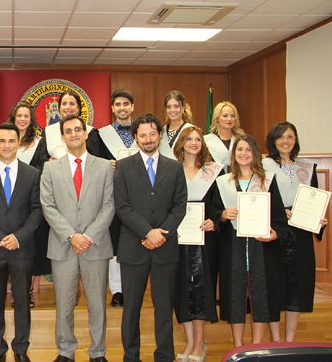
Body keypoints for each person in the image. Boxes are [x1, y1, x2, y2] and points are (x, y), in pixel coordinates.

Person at [113, 113, 187, 362]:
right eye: (142, 135)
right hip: (134, 246)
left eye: (152, 134)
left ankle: (164, 355)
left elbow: (179, 207)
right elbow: (122, 207)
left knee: (164, 308)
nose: (148, 139)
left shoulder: (174, 167)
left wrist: (160, 234)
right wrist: (147, 232)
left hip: (165, 249)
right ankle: (131, 356)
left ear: (159, 135)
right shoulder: (123, 167)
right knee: (131, 308)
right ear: (135, 138)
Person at [40, 115, 114, 362]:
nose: (73, 134)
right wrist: (72, 235)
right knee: (64, 304)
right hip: (63, 245)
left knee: (97, 305)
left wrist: (89, 236)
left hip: (96, 245)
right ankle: (65, 351)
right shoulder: (50, 168)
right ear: (62, 137)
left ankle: (98, 352)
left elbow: (109, 205)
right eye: (68, 131)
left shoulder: (105, 166)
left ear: (85, 134)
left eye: (78, 130)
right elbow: (47, 206)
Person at [212, 134, 288, 347]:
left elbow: (279, 219)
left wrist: (274, 234)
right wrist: (224, 215)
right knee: (235, 297)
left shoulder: (267, 181)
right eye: (239, 150)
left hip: (261, 250)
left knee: (261, 298)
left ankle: (256, 347)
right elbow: (214, 213)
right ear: (233, 154)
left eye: (248, 150)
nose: (243, 154)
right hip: (233, 250)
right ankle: (238, 346)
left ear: (255, 154)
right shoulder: (223, 182)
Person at [0, 122, 42, 362]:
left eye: (11, 141)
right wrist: (0, 238)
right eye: (2, 141)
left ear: (18, 144)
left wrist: (17, 237)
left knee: (22, 302)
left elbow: (37, 211)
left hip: (22, 249)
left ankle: (21, 349)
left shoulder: (32, 173)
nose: (6, 145)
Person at [263, 121, 328, 342]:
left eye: (290, 137)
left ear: (295, 141)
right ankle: (275, 339)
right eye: (281, 136)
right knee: (274, 286)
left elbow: (315, 198)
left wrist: (320, 220)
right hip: (274, 234)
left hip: (300, 235)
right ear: (273, 140)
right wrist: (280, 214)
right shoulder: (263, 166)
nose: (286, 141)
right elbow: (261, 200)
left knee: (297, 288)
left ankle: (290, 340)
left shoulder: (307, 169)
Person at [172, 127, 224, 362]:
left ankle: (200, 342)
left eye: (198, 140)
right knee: (181, 289)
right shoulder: (171, 171)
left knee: (202, 289)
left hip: (205, 240)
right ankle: (190, 341)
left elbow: (218, 205)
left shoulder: (213, 172)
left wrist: (214, 220)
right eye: (189, 139)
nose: (194, 143)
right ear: (181, 143)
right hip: (179, 240)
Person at [97, 90, 138, 308]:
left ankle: (132, 286)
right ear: (112, 108)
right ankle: (117, 289)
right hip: (111, 192)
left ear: (132, 107)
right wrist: (107, 164)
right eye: (118, 105)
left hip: (138, 194)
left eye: (126, 104)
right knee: (114, 242)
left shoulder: (143, 133)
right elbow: (94, 161)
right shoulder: (102, 135)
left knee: (133, 238)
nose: (122, 108)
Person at [8, 101, 48, 300]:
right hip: (7, 201)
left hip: (30, 199)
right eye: (19, 116)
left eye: (26, 116)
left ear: (31, 120)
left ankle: (28, 291)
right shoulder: (4, 140)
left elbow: (41, 171)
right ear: (13, 118)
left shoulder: (40, 143)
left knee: (30, 246)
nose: (22, 119)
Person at [34, 90, 101, 161]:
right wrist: (49, 162)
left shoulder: (90, 132)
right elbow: (40, 161)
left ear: (78, 108)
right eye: (64, 104)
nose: (68, 107)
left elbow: (96, 161)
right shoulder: (47, 131)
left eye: (72, 104)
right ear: (59, 108)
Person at [204, 101, 244, 172]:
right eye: (225, 116)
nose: (229, 119)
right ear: (217, 119)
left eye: (233, 116)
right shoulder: (206, 141)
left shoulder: (242, 139)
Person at [159, 90, 194, 161]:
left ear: (183, 108)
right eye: (169, 107)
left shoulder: (192, 130)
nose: (172, 110)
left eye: (176, 106)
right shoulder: (160, 131)